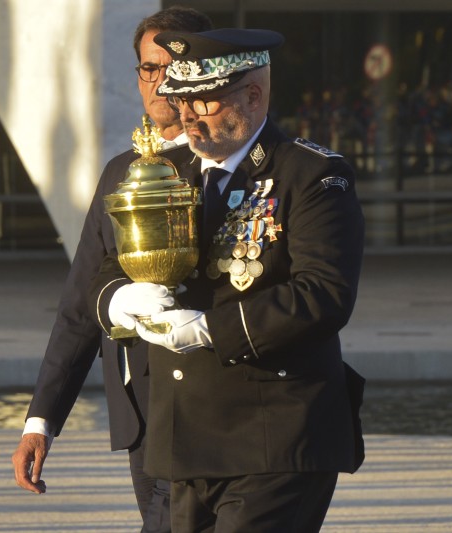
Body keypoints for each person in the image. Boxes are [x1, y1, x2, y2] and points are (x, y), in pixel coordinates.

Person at [89, 28, 366, 532]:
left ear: (253, 96)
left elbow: (323, 294)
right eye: (182, 100)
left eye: (205, 103)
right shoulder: (165, 171)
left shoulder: (311, 176)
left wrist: (211, 329)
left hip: (273, 437)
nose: (188, 117)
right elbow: (109, 265)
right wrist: (119, 300)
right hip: (182, 441)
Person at [11, 6, 212, 532]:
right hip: (138, 414)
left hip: (203, 412)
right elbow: (81, 303)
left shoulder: (221, 169)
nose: (161, 79)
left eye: (175, 65)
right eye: (149, 66)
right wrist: (41, 422)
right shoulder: (120, 172)